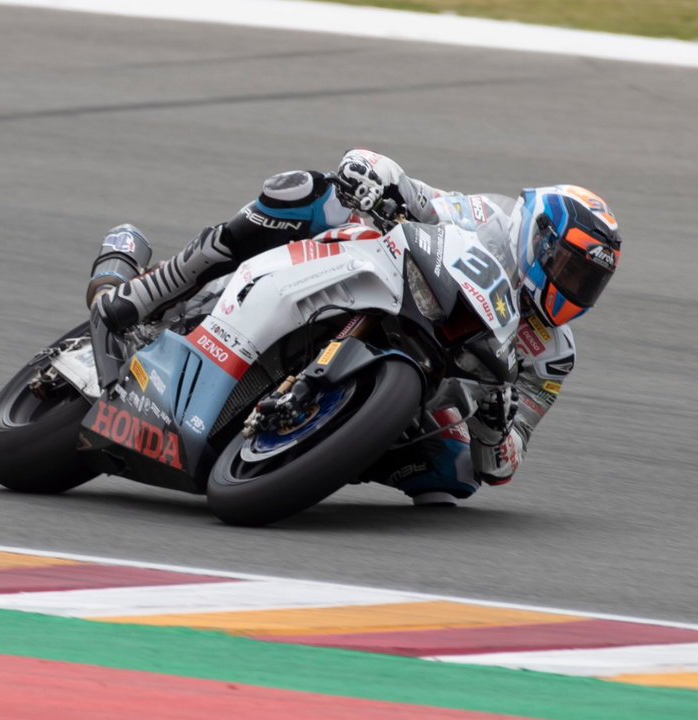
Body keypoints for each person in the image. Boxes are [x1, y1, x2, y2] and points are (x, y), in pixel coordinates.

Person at [87, 149, 622, 505]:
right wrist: (378, 175)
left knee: (453, 475)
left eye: (588, 283)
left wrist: (495, 425)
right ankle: (148, 293)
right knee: (305, 193)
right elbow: (420, 200)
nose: (574, 288)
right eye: (570, 269)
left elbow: (503, 464)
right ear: (540, 239)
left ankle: (318, 450)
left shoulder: (553, 355)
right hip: (388, 289)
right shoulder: (488, 219)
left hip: (431, 381)